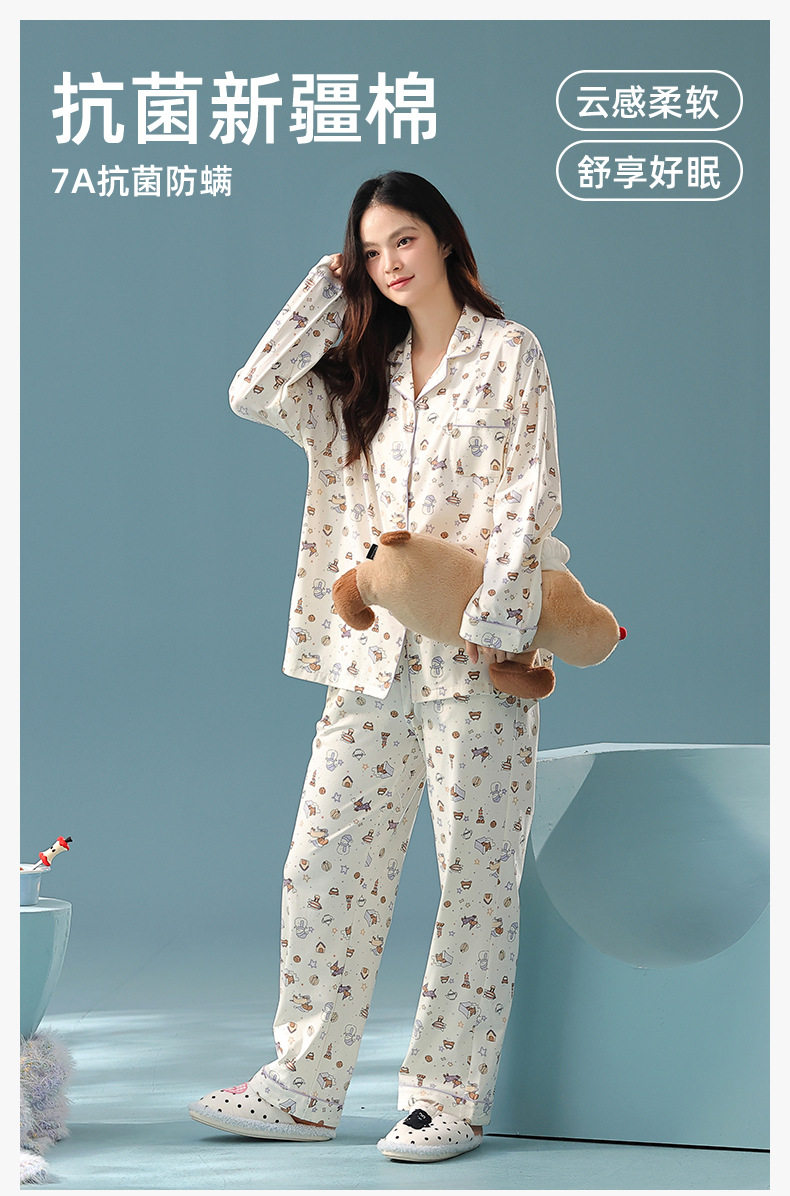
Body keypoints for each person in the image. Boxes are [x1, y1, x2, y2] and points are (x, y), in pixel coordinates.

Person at [189, 171, 570, 1163]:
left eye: (404, 239)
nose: (390, 262)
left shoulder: (509, 354)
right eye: (370, 250)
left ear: (444, 240)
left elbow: (527, 496)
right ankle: (304, 1084)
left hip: (474, 659)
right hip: (365, 659)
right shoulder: (361, 376)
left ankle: (447, 1093)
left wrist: (496, 625)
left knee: (473, 875)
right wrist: (324, 289)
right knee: (324, 865)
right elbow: (251, 391)